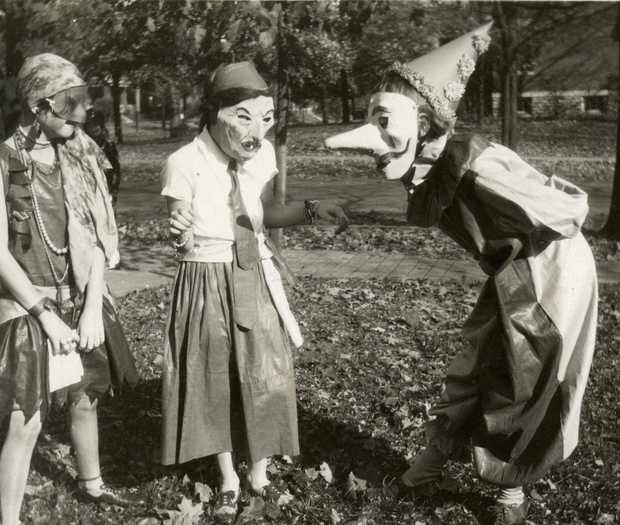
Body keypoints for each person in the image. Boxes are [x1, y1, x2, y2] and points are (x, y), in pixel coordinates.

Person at [325, 22, 597, 525]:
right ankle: (430, 464)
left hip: (549, 271)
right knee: (473, 363)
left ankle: (508, 492)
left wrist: (550, 205)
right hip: (509, 271)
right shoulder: (429, 166)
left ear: (424, 120)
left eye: (385, 119)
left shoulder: (478, 164)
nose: (374, 136)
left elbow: (566, 215)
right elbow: (443, 210)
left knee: (520, 378)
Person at [159, 61, 348, 520]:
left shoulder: (262, 156)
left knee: (268, 369)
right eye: (243, 116)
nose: (256, 130)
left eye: (265, 119)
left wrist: (310, 210)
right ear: (215, 112)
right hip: (205, 276)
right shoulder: (183, 163)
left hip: (254, 273)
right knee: (213, 377)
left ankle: (258, 470)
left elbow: (264, 214)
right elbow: (179, 235)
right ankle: (226, 475)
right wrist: (177, 228)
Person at [0, 53, 140, 525]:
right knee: (25, 421)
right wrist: (45, 314)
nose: (83, 112)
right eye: (72, 102)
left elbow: (95, 239)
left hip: (81, 299)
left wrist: (91, 308)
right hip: (28, 307)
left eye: (84, 100)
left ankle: (92, 484)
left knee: (85, 396)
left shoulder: (81, 154)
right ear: (37, 105)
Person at [84, 107, 121, 208]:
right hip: (88, 189)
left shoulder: (108, 145)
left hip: (106, 187)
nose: (94, 128)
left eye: (96, 125)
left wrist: (113, 191)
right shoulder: (83, 145)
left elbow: (115, 170)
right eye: (91, 126)